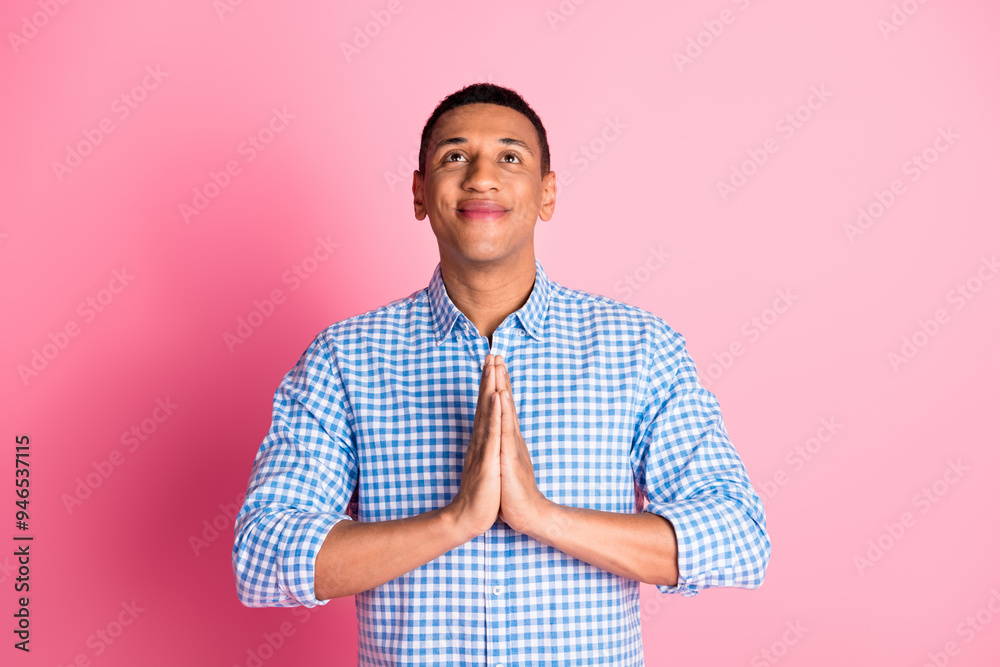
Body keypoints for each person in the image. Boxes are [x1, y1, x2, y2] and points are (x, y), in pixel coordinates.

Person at [232, 82, 771, 665]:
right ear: (419, 192)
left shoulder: (639, 347)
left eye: (510, 157)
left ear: (547, 193)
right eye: (454, 157)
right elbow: (262, 555)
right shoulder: (344, 358)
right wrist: (455, 520)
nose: (481, 177)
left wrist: (541, 515)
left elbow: (737, 537)